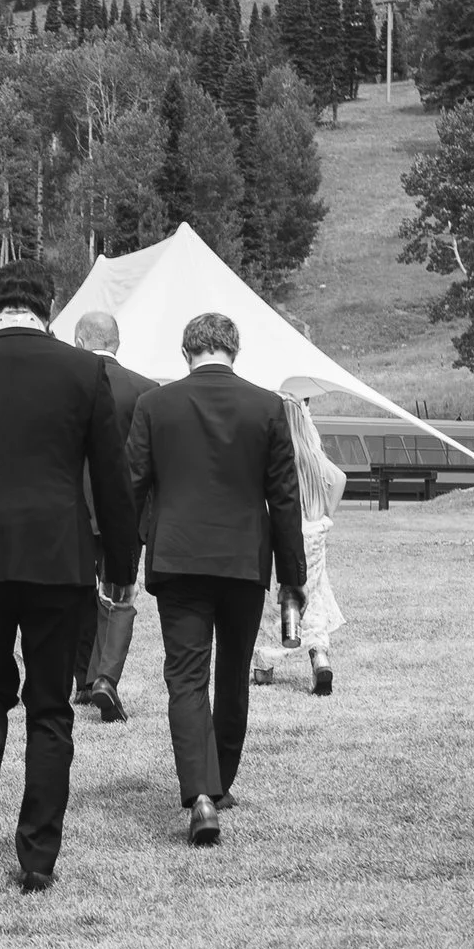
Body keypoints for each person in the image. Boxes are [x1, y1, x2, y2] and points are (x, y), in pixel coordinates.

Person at [0, 258, 139, 892]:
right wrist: (121, 568)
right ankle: (37, 854)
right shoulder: (84, 371)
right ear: (50, 306)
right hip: (58, 559)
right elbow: (112, 480)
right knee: (48, 707)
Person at [125, 312, 306, 845]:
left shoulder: (154, 405)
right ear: (235, 349)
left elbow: (131, 483)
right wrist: (292, 575)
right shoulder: (268, 406)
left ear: (187, 353)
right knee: (231, 673)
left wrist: (129, 550)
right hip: (244, 560)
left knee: (184, 675)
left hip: (178, 557)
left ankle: (200, 793)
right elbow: (285, 495)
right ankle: (221, 781)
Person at [69, 312, 158, 722]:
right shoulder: (146, 391)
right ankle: (105, 678)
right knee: (119, 594)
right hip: (126, 510)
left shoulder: (65, 383)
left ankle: (82, 680)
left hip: (71, 509)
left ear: (80, 339)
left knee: (77, 594)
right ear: (117, 342)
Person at [252, 392, 348, 696]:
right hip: (314, 538)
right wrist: (327, 510)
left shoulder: (275, 459)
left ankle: (265, 662)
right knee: (315, 595)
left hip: (283, 540)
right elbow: (340, 477)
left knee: (274, 600)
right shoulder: (315, 459)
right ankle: (319, 655)